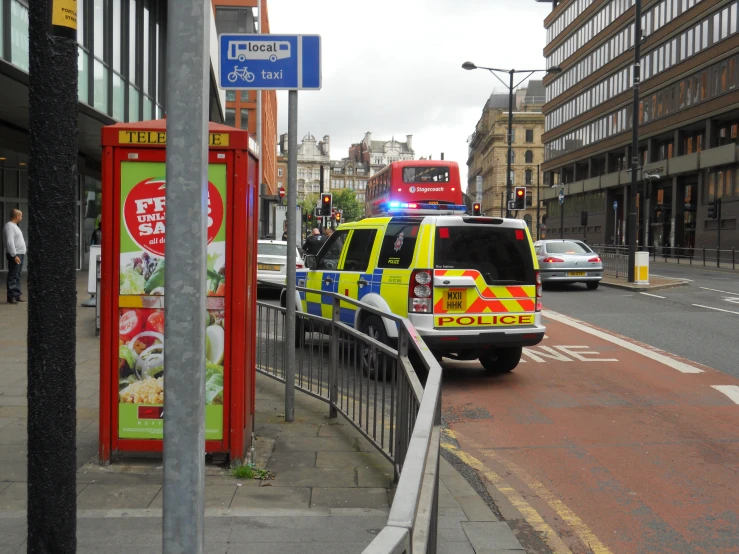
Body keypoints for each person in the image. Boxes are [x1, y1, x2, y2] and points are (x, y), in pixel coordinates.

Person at [4, 209, 26, 304]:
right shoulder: (10, 226)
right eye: (21, 216)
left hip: (20, 253)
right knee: (13, 275)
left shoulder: (14, 226)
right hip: (16, 254)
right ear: (17, 216)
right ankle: (11, 296)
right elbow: (10, 242)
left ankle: (16, 295)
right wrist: (14, 255)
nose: (21, 218)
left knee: (17, 275)